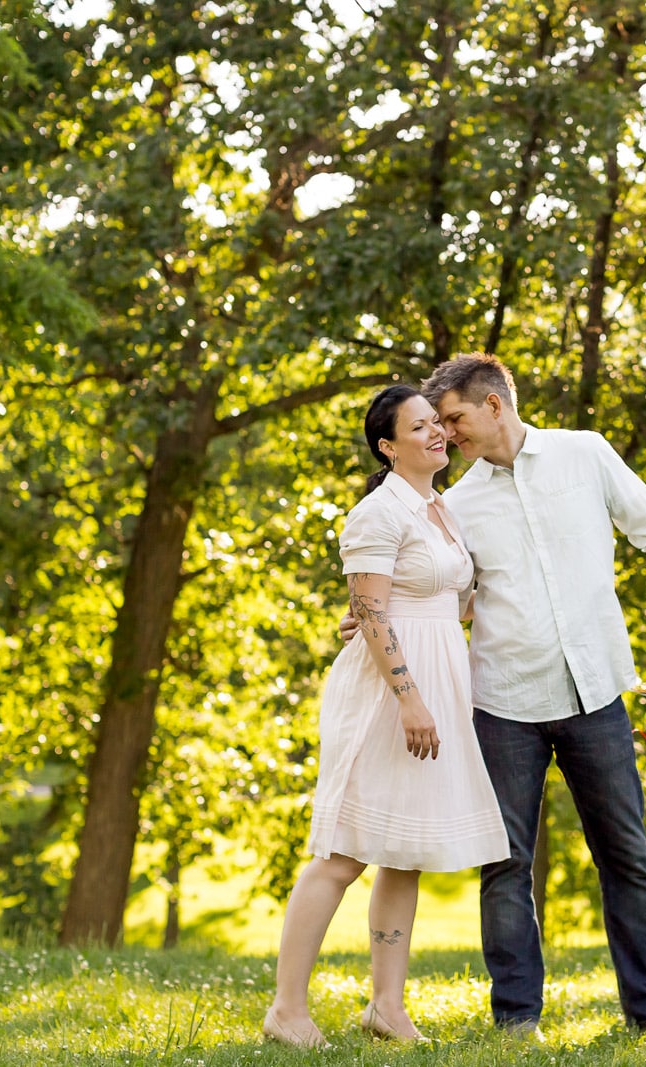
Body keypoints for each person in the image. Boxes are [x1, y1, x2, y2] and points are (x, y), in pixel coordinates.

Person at [347, 355, 646, 1039]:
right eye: (438, 424)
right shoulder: (454, 506)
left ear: (495, 404)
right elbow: (443, 596)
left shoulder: (585, 454)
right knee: (505, 868)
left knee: (627, 859)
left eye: (456, 418)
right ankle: (517, 1018)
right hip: (501, 703)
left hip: (595, 696)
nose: (450, 434)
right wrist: (370, 618)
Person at [262, 384, 509, 1049]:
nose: (438, 433)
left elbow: (439, 602)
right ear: (387, 445)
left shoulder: (439, 509)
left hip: (437, 683)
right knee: (343, 852)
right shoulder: (378, 513)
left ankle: (387, 1008)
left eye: (438, 422)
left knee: (405, 852)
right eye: (422, 426)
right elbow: (370, 613)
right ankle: (287, 1009)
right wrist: (409, 696)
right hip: (389, 695)